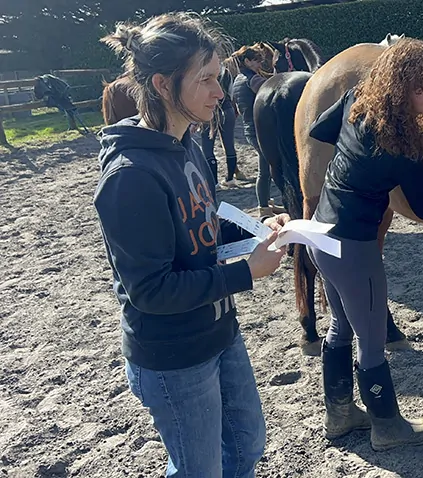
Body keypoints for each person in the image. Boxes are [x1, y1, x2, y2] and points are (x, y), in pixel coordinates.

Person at [95, 13, 291, 477]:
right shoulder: (131, 177)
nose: (220, 92)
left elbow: (202, 229)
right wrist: (248, 273)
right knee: (197, 471)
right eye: (205, 80)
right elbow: (152, 291)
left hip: (219, 331)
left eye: (218, 78)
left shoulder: (188, 146)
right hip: (173, 355)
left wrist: (259, 228)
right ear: (163, 85)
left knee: (246, 447)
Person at [306, 38, 423, 452]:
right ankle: (387, 427)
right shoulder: (402, 147)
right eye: (422, 87)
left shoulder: (356, 98)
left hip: (320, 234)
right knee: (371, 344)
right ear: (400, 88)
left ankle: (339, 414)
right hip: (354, 249)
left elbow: (320, 129)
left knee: (339, 327)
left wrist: (352, 159)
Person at [231, 45, 282, 216]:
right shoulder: (252, 80)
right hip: (260, 130)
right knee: (266, 169)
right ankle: (263, 207)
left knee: (265, 166)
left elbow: (236, 106)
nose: (260, 64)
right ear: (247, 61)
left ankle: (266, 202)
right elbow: (273, 91)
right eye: (257, 61)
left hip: (249, 128)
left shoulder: (237, 80)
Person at [199, 64, 243, 188]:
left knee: (208, 147)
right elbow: (231, 92)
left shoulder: (202, 72)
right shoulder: (226, 72)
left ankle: (214, 181)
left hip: (210, 109)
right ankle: (230, 179)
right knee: (229, 145)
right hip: (226, 108)